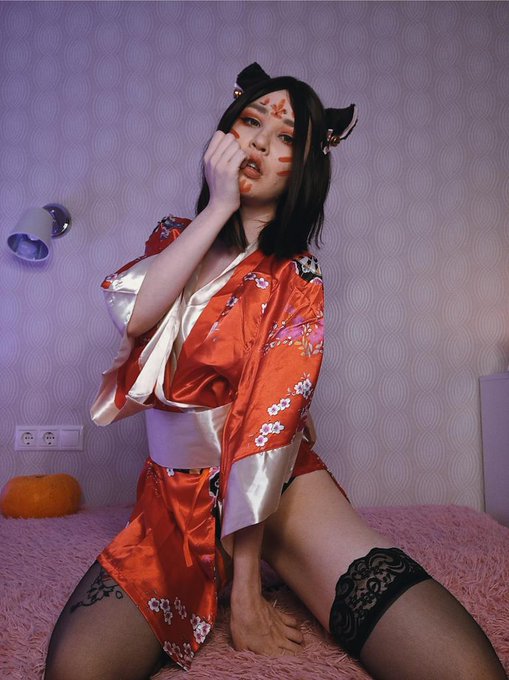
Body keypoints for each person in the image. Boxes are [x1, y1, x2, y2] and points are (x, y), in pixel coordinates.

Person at [44, 63, 506, 680]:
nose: (260, 142)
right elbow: (135, 317)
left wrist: (246, 589)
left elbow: (268, 425)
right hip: (176, 492)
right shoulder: (174, 237)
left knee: (461, 667)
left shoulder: (297, 276)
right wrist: (219, 208)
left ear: (304, 168)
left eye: (286, 136)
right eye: (250, 121)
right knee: (77, 667)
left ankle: (265, 563)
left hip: (280, 488)